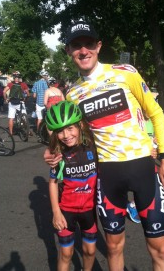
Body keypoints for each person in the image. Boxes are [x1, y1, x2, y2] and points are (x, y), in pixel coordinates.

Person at [44, 21, 164, 271]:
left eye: (89, 44)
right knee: (114, 248)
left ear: (99, 46)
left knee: (160, 249)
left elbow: (157, 113)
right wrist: (53, 151)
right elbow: (73, 134)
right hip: (107, 175)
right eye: (76, 46)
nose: (84, 51)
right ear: (69, 51)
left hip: (143, 168)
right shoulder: (73, 94)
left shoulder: (125, 72)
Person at [45, 101, 98, 271]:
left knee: (89, 251)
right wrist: (56, 213)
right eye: (60, 131)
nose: (66, 135)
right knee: (66, 254)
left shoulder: (93, 146)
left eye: (70, 129)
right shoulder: (58, 153)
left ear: (80, 125)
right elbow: (53, 183)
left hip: (89, 209)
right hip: (66, 209)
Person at [32, 70, 49, 139]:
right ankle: (46, 132)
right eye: (47, 76)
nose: (47, 77)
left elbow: (34, 96)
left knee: (39, 119)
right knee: (47, 118)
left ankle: (39, 133)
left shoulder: (36, 83)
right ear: (44, 76)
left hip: (38, 103)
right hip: (46, 103)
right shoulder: (47, 83)